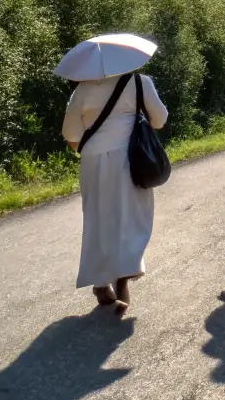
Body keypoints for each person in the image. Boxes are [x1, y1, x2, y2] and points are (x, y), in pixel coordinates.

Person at [62, 65, 169, 313]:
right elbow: (160, 119)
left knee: (98, 219)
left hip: (92, 160)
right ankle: (125, 271)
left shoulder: (82, 90)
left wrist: (92, 151)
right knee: (134, 215)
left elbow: (70, 133)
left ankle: (100, 284)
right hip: (130, 157)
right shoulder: (140, 82)